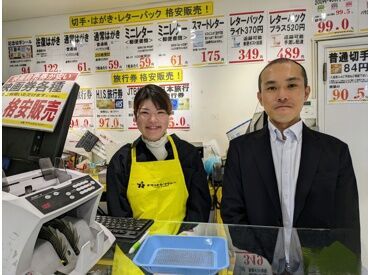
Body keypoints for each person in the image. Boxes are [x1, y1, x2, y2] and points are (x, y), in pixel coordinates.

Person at [221, 58, 360, 262]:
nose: (282, 95)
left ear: (306, 92)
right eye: (271, 88)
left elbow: (347, 222)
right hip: (259, 265)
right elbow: (232, 214)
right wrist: (268, 258)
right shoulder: (240, 150)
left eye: (292, 85)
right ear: (260, 97)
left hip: (318, 265)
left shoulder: (335, 152)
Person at [107, 84, 211, 234]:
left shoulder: (187, 154)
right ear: (136, 116)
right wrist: (139, 243)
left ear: (169, 116)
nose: (153, 120)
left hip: (180, 246)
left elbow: (199, 206)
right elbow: (119, 214)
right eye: (145, 112)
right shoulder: (121, 161)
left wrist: (186, 235)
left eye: (160, 112)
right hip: (135, 250)